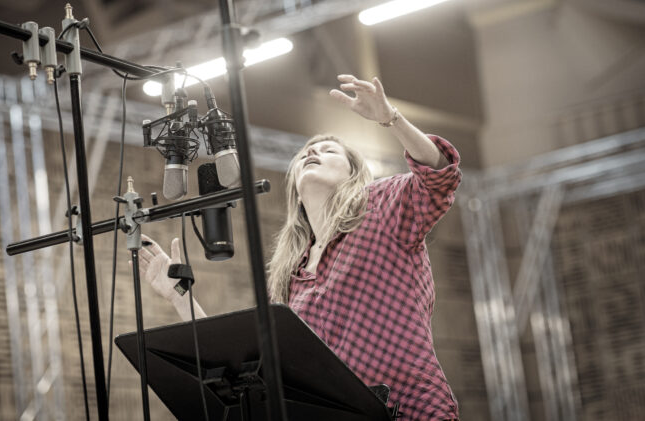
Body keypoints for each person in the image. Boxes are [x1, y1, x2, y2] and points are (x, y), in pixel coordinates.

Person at [136, 74, 461, 420]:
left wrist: (390, 118)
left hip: (413, 411)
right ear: (293, 186)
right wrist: (179, 296)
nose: (312, 152)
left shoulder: (381, 205)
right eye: (305, 153)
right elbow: (246, 367)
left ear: (353, 173)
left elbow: (439, 175)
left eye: (328, 150)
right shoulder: (290, 274)